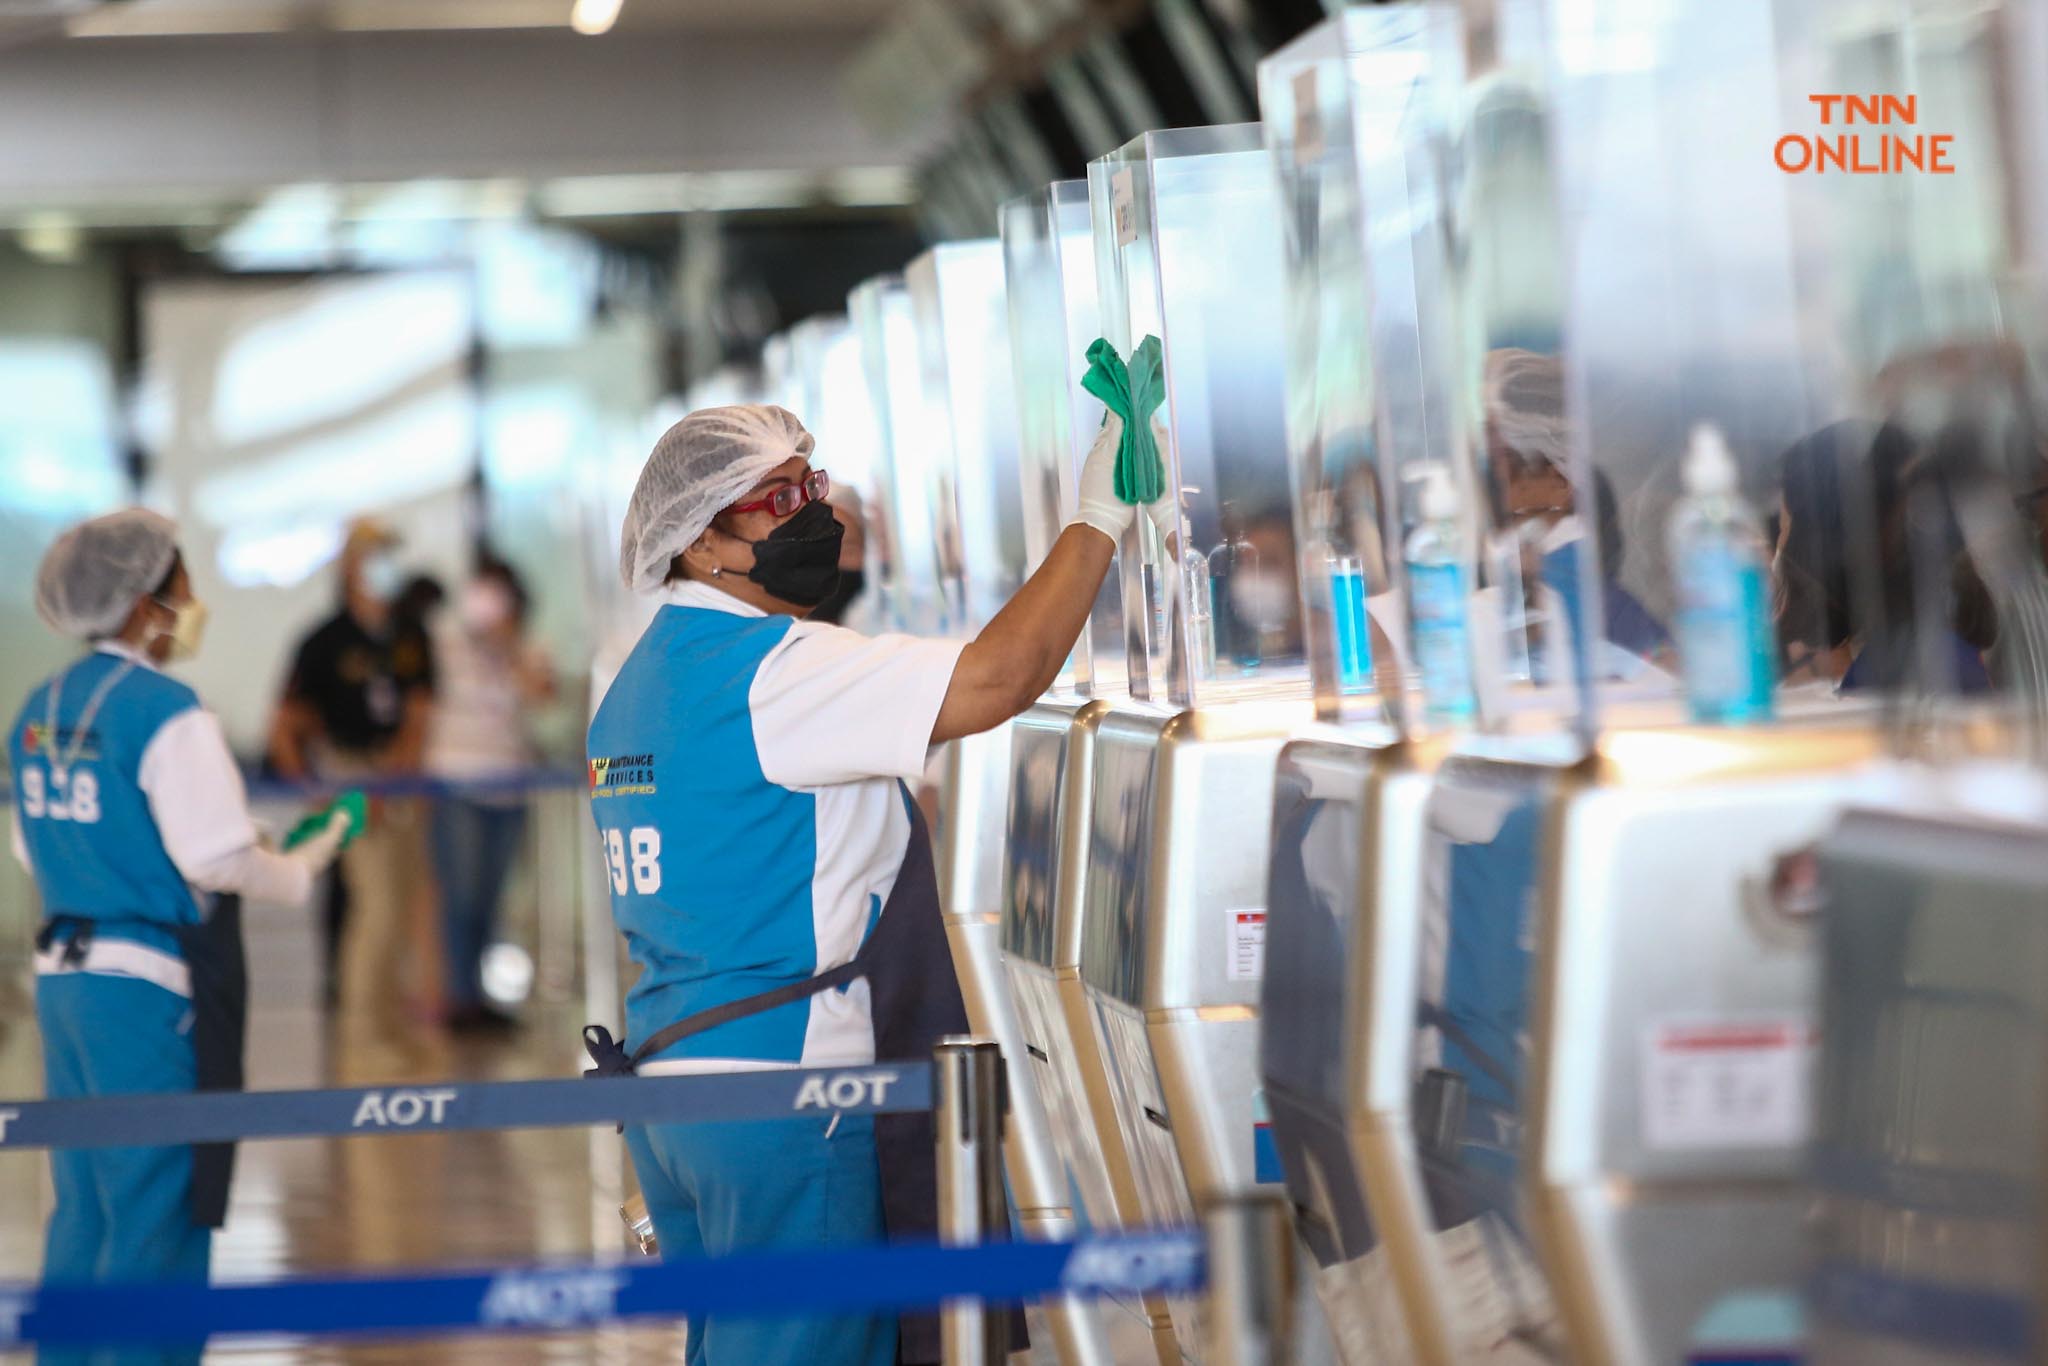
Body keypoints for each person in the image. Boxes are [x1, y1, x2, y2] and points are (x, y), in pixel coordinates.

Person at [582, 403, 1163, 1366]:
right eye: (775, 499)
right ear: (698, 543)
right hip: (789, 1091)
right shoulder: (776, 669)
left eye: (811, 486)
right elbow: (1001, 677)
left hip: (672, 1090)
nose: (812, 513)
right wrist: (1098, 518)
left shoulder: (636, 689)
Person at [10, 510, 354, 1366]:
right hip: (148, 989)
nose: (195, 602)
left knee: (86, 1200)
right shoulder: (167, 711)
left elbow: (30, 844)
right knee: (154, 1205)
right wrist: (302, 866)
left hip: (63, 980)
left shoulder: (40, 708)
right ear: (143, 603)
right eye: (184, 584)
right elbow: (217, 857)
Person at [268, 520, 435, 1033]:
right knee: (376, 907)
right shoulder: (324, 640)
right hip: (346, 777)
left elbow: (419, 712)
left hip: (400, 778)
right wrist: (317, 793)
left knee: (405, 906)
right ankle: (363, 1030)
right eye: (370, 557)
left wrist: (395, 778)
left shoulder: (410, 635)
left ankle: (391, 1023)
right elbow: (285, 724)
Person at [425, 556, 554, 1033]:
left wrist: (509, 648)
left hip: (509, 787)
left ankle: (478, 996)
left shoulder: (526, 646)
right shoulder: (444, 642)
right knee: (460, 898)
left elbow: (544, 696)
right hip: (456, 783)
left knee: (492, 898)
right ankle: (460, 998)